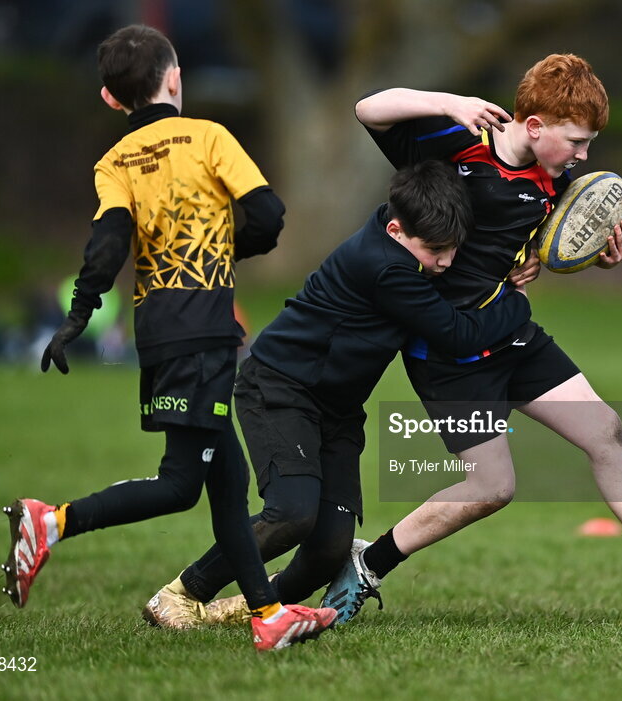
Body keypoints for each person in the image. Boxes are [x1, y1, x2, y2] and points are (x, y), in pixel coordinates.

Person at [320, 53, 622, 624]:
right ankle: (366, 564)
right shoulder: (459, 141)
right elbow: (367, 108)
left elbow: (546, 247)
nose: (582, 155)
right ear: (532, 127)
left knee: (606, 431)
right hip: (449, 349)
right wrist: (446, 101)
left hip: (511, 330)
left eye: (588, 144)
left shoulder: (560, 182)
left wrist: (600, 260)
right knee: (492, 487)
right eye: (575, 141)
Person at [0, 24, 337, 652]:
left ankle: (267, 615)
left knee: (226, 484)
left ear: (111, 99)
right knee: (183, 483)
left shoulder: (113, 163)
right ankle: (51, 520)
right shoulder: (210, 136)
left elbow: (106, 246)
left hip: (158, 338)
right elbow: (268, 217)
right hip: (203, 334)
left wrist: (77, 315)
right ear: (175, 78)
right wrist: (223, 247)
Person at [140, 160, 534, 629]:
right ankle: (179, 594)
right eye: (436, 251)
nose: (446, 262)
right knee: (292, 513)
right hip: (280, 389)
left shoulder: (405, 242)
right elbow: (458, 335)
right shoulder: (385, 267)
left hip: (339, 410)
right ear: (395, 229)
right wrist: (515, 301)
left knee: (329, 549)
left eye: (454, 248)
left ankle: (240, 612)